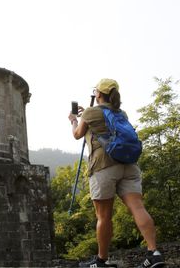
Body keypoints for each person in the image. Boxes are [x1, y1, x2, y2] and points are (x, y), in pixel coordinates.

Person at [68, 79, 165, 268]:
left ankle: (102, 261)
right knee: (138, 207)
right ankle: (154, 253)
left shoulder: (90, 112)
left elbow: (77, 134)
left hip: (104, 165)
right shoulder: (122, 113)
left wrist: (74, 120)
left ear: (98, 94)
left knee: (104, 216)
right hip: (129, 165)